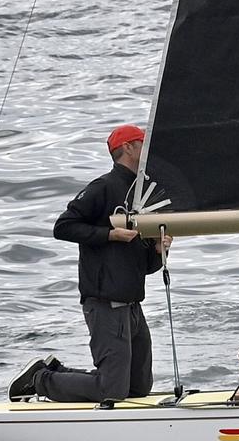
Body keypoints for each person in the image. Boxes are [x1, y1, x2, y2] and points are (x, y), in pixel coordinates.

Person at [10, 124, 172, 403]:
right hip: (105, 302)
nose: (148, 150)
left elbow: (145, 266)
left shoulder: (140, 193)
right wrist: (110, 234)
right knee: (112, 391)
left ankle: (56, 371)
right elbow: (63, 226)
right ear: (128, 148)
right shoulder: (104, 186)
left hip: (133, 305)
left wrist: (157, 250)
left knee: (138, 388)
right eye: (143, 143)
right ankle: (40, 380)